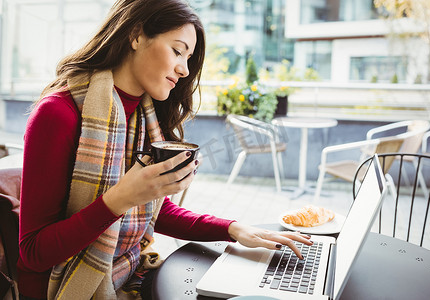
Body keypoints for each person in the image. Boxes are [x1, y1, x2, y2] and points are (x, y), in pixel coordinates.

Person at [18, 0, 312, 299]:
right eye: (177, 50)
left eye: (189, 58)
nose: (184, 70)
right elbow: (34, 253)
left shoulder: (143, 117)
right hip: (61, 287)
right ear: (136, 35)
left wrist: (234, 229)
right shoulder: (58, 114)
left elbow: (154, 212)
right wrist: (120, 199)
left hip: (127, 273)